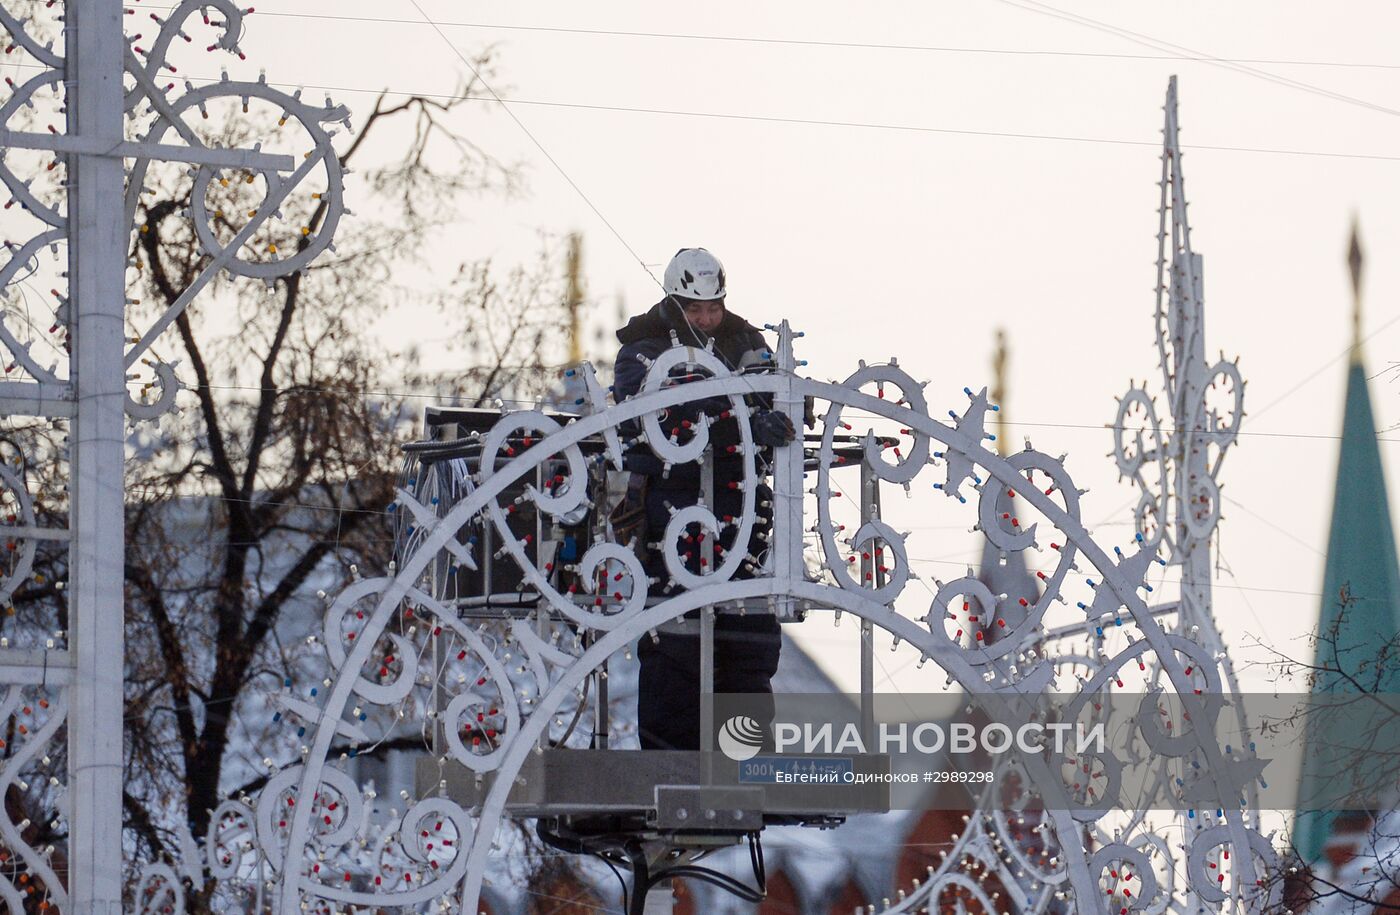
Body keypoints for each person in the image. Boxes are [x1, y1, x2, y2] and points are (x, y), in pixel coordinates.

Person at [612, 247, 796, 751]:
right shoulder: (641, 350)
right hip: (670, 516)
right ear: (674, 302)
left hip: (742, 515)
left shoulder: (745, 340)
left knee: (749, 640)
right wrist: (739, 421)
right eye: (696, 309)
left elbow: (777, 395)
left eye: (714, 308)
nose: (707, 319)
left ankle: (745, 761)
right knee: (674, 644)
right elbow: (656, 416)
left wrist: (773, 416)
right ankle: (670, 768)